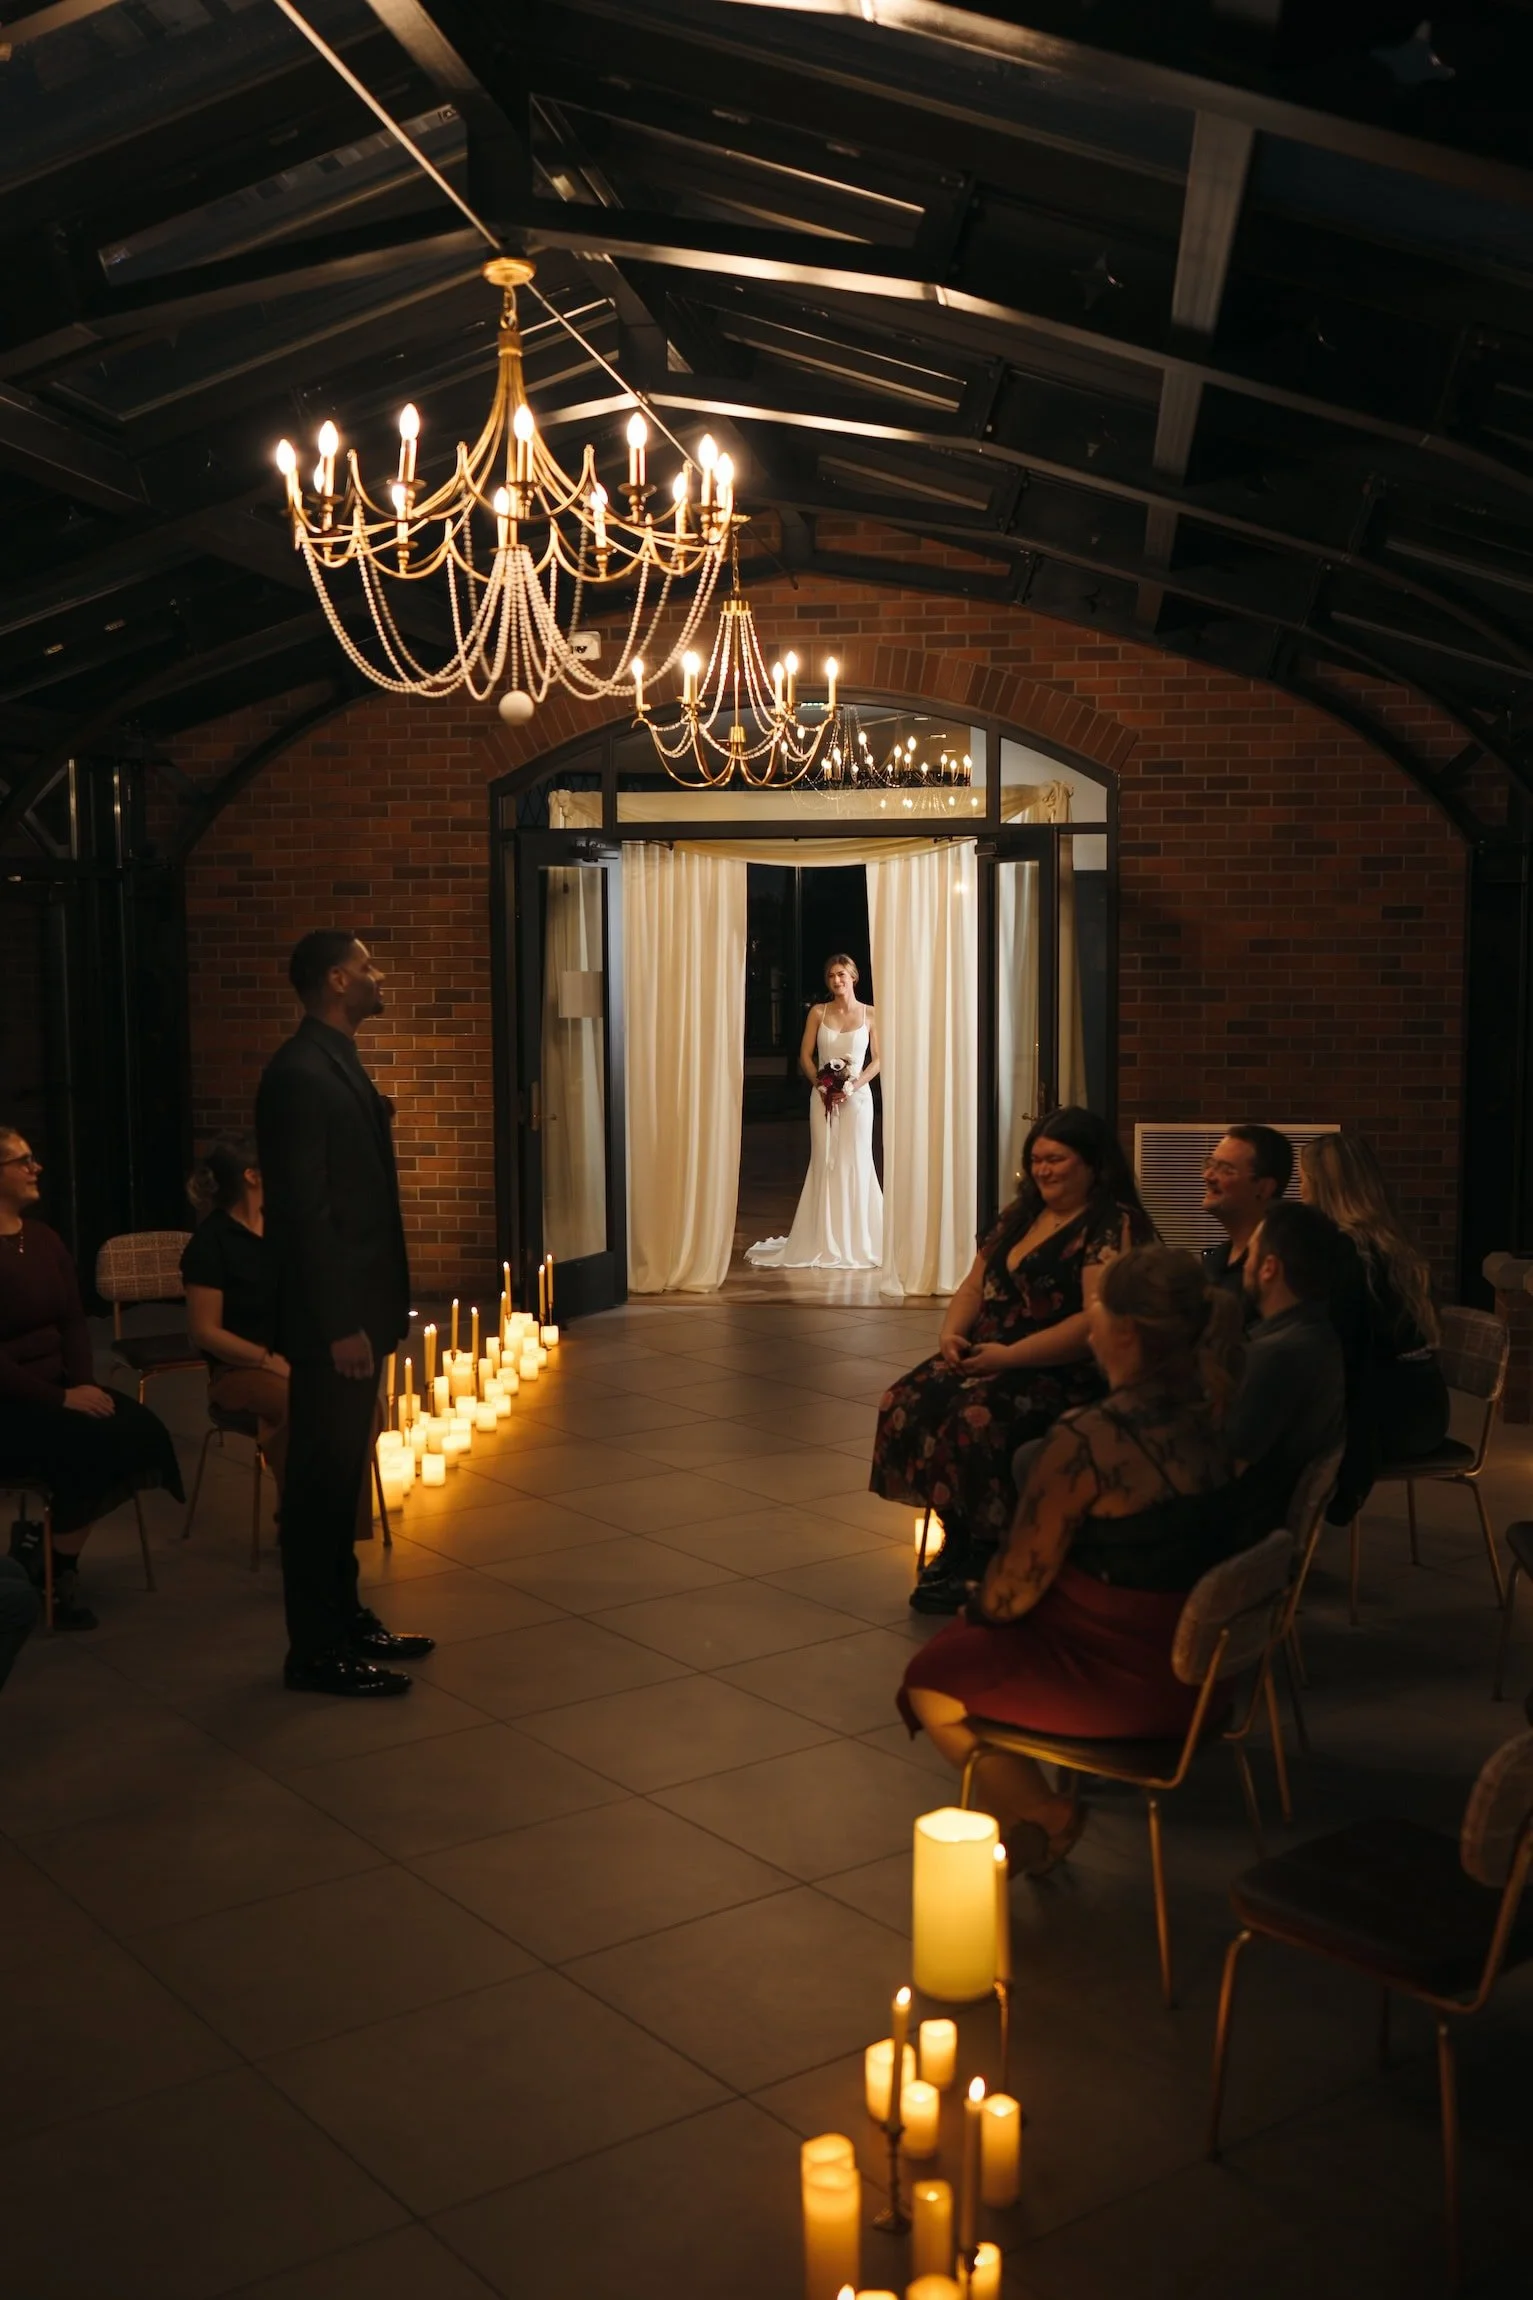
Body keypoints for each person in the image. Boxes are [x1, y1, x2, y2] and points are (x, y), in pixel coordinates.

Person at [898, 1246, 1250, 1871]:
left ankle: (1048, 1817)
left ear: (1122, 1333)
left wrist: (980, 1601)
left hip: (1131, 1686)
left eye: (1095, 1313)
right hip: (1208, 1671)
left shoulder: (1090, 1443)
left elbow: (1010, 1597)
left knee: (931, 1679)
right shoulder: (1221, 1411)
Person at [871, 1105, 1155, 1614]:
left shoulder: (1113, 1224)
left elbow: (1096, 1321)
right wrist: (951, 1333)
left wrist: (1012, 1355)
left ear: (1092, 1164)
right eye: (1037, 1159)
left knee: (977, 1420)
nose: (1043, 1170)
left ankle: (988, 1547)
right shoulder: (1022, 1213)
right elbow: (975, 1283)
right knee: (906, 1401)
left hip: (1057, 1365)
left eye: (1057, 1160)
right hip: (991, 1351)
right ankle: (956, 1532)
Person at [255, 932, 432, 1698]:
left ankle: (346, 1614)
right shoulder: (298, 1073)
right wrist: (337, 1323)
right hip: (335, 1322)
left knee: (343, 1478)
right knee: (321, 1482)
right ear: (336, 980)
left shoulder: (335, 1059)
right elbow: (303, 1212)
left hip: (361, 1307)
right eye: (366, 967)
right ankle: (315, 1649)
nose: (377, 975)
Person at [0, 1124, 183, 1629]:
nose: (36, 1168)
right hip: (11, 1401)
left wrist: (82, 1385)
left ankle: (47, 1554)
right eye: (22, 1161)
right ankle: (54, 1573)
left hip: (58, 1387)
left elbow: (74, 1322)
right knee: (84, 1445)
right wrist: (59, 1399)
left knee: (137, 1430)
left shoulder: (43, 1239)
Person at [181, 1134, 376, 1547]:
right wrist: (269, 1360)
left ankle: (335, 1527)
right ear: (252, 1176)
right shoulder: (211, 1243)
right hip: (241, 1370)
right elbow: (205, 1332)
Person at [1298, 1132, 1450, 1522]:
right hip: (1422, 1403)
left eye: (1304, 1180)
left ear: (1324, 1187)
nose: (1299, 1191)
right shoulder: (1382, 1241)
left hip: (1397, 1417)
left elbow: (1343, 1351)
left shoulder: (1352, 1253)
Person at [746, 954, 884, 1271]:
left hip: (858, 1101)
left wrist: (853, 1085)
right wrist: (820, 1085)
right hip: (822, 1098)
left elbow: (879, 1060)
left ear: (854, 977)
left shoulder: (872, 1014)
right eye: (832, 976)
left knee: (856, 1161)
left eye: (842, 975)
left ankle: (859, 1237)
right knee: (825, 1161)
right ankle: (822, 1237)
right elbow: (806, 1056)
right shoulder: (818, 1013)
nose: (837, 981)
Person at [1226, 1200, 1348, 1530]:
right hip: (1262, 1517)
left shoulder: (1276, 1356)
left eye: (1249, 1255)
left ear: (1269, 1267)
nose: (1244, 1266)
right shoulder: (1317, 1334)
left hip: (1238, 1533)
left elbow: (1224, 1471)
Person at [1202, 1125, 1294, 1303]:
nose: (1208, 1176)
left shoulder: (1278, 1268)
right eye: (1210, 1165)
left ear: (1264, 1188)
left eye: (1226, 1169)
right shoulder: (1215, 1261)